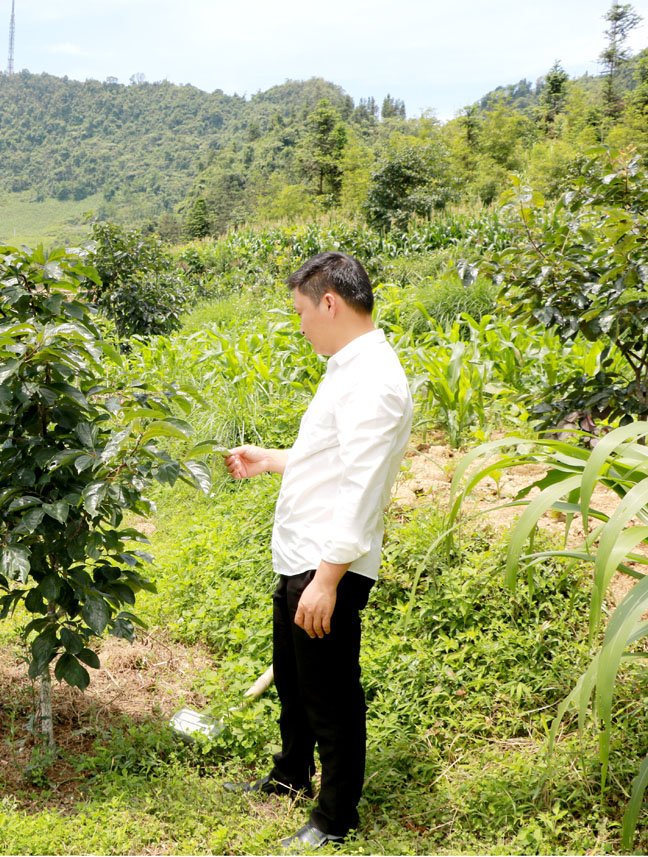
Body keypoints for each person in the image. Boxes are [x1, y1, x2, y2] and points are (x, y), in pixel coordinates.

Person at [224, 252, 412, 848]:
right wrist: (272, 460)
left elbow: (360, 487)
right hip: (303, 557)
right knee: (296, 683)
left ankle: (334, 816)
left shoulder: (375, 379)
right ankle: (289, 775)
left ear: (329, 303)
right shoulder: (346, 368)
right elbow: (332, 460)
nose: (300, 325)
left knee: (330, 694)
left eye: (302, 312)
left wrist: (327, 580)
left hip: (327, 565)